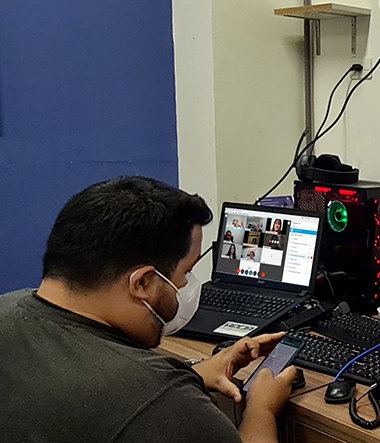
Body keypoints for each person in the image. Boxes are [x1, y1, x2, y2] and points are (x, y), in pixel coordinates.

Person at [0, 176, 296, 442]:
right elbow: (137, 396)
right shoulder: (162, 404)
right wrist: (261, 409)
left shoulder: (7, 309)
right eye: (187, 272)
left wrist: (190, 372)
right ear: (142, 282)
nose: (188, 286)